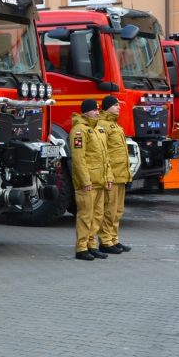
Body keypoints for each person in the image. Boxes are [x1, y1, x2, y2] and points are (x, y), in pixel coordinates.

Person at [69, 99, 112, 261]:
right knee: (86, 215)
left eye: (98, 109)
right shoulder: (79, 130)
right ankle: (81, 247)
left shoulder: (98, 130)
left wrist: (108, 177)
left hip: (99, 180)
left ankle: (91, 245)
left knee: (97, 215)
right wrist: (85, 180)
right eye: (93, 110)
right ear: (86, 111)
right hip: (87, 183)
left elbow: (105, 157)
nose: (97, 112)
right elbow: (79, 159)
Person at [97, 95, 132, 253]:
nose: (119, 107)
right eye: (115, 105)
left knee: (117, 210)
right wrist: (108, 175)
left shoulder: (116, 125)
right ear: (107, 107)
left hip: (121, 174)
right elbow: (104, 154)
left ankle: (114, 239)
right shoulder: (103, 125)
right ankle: (105, 241)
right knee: (109, 210)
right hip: (112, 175)